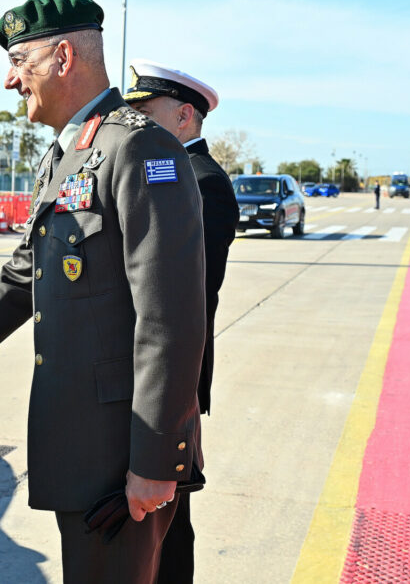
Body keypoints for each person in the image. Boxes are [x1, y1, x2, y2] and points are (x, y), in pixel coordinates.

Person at [0, 0, 206, 583]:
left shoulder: (138, 147)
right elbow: (22, 277)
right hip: (82, 447)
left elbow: (169, 320)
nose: (10, 80)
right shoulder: (70, 151)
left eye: (20, 61)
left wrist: (153, 462)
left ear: (63, 56)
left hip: (123, 455)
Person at [124, 60, 239, 583]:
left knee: (169, 521)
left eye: (148, 113)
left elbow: (185, 295)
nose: (138, 124)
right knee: (149, 519)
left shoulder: (203, 182)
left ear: (186, 117)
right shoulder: (163, 171)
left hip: (174, 373)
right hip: (140, 365)